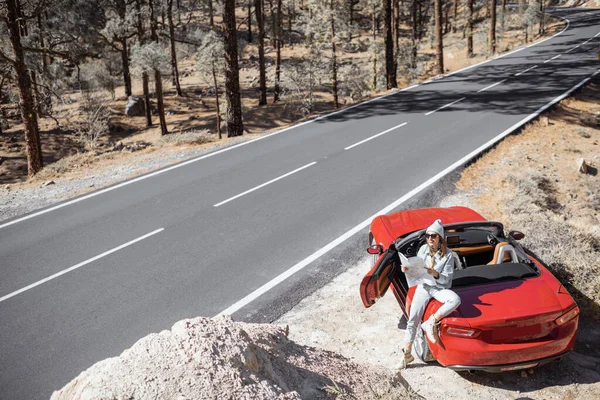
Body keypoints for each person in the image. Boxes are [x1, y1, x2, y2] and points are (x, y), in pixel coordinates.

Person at [399, 219, 461, 368]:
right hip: (424, 287)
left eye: (433, 236)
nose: (430, 239)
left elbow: (448, 280)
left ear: (440, 237)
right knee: (412, 320)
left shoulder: (449, 256)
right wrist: (408, 270)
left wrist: (436, 274)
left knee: (455, 299)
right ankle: (406, 354)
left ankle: (431, 322)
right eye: (427, 236)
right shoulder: (422, 251)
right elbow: (417, 272)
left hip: (439, 288)